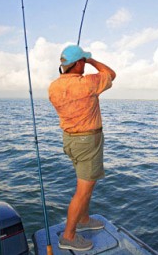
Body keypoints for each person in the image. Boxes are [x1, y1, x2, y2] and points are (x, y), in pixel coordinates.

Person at [48, 45, 116, 251]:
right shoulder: (88, 84)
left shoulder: (53, 87)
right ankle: (69, 235)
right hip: (88, 144)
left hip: (70, 141)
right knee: (83, 192)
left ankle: (84, 219)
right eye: (83, 62)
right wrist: (92, 61)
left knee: (85, 184)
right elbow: (111, 74)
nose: (85, 65)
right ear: (78, 64)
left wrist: (82, 60)